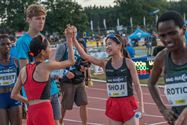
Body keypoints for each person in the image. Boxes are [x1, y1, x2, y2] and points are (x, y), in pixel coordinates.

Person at [73, 26, 144, 125]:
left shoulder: (129, 63)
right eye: (106, 44)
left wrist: (141, 106)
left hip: (127, 103)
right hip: (113, 105)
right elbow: (85, 56)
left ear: (119, 46)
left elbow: (137, 84)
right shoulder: (105, 63)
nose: (107, 47)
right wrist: (73, 39)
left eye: (110, 43)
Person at [11, 26, 75, 125]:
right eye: (48, 47)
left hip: (31, 112)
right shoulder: (46, 65)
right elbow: (71, 61)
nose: (51, 50)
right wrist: (69, 41)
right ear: (42, 52)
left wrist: (29, 102)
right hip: (44, 110)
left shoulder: (24, 70)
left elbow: (14, 94)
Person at [148, 11, 187, 125]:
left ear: (183, 29)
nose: (168, 39)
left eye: (172, 33)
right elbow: (151, 84)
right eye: (163, 35)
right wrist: (163, 109)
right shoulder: (161, 58)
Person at [55, 35, 89, 125]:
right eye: (70, 32)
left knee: (83, 103)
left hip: (80, 80)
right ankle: (60, 123)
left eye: (74, 32)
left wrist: (85, 67)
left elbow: (87, 60)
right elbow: (55, 63)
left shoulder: (80, 45)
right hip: (67, 81)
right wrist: (65, 72)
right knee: (65, 105)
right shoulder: (62, 47)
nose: (72, 34)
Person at [0, 34, 22, 125]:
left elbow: (21, 82)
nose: (7, 46)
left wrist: (24, 103)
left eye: (8, 44)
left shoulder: (16, 61)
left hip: (14, 98)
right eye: (3, 44)